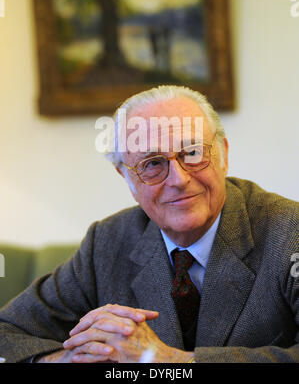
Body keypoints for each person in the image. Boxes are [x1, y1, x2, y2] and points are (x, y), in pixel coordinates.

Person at [0, 85, 298, 363]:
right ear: (126, 177)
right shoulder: (106, 242)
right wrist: (67, 360)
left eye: (193, 153)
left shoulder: (289, 232)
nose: (179, 180)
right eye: (153, 163)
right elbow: (7, 332)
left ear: (223, 154)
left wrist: (169, 361)